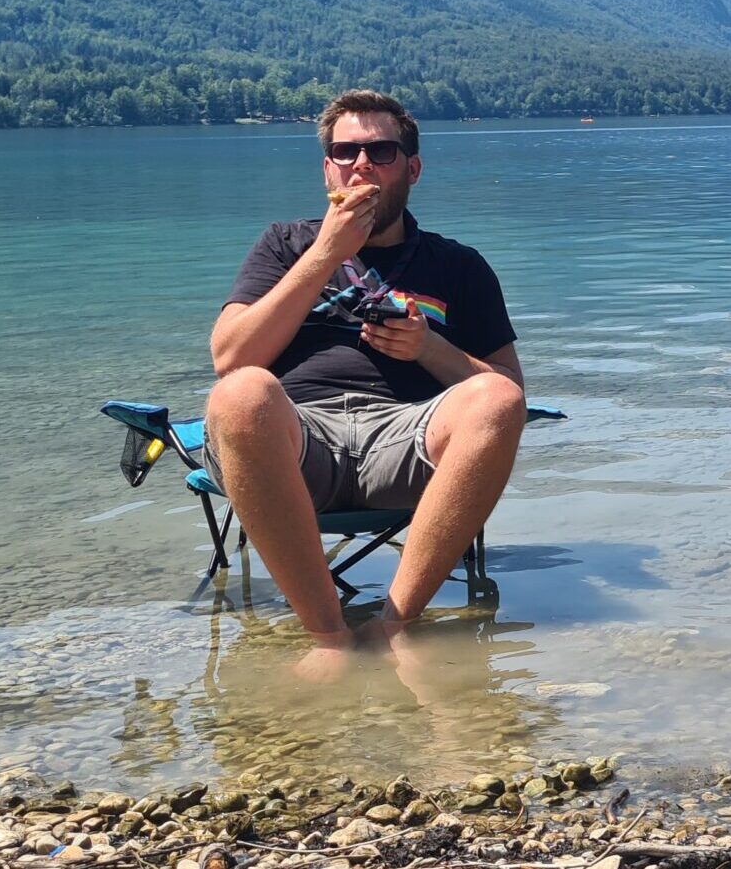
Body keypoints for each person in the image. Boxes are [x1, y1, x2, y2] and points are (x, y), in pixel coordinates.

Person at [205, 89, 526, 681]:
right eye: (345, 151)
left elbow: (509, 392)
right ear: (326, 169)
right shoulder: (284, 244)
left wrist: (429, 348)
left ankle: (393, 626)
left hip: (405, 438)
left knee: (498, 400)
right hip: (299, 438)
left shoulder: (459, 266)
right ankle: (328, 636)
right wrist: (325, 253)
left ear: (412, 168)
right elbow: (230, 357)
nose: (361, 164)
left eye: (381, 152)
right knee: (240, 395)